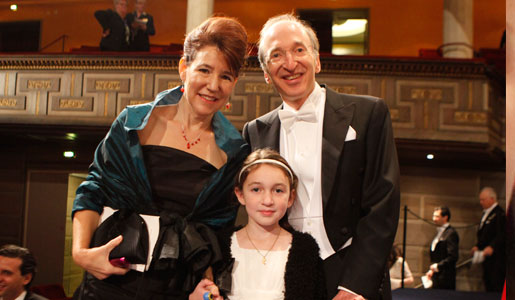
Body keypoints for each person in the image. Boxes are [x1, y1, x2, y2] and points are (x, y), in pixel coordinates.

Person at [71, 16, 249, 299]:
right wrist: (81, 253)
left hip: (175, 287)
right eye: (204, 70)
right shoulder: (132, 123)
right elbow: (93, 188)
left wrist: (207, 283)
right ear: (184, 68)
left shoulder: (234, 152)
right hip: (110, 280)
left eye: (225, 76)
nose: (214, 85)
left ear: (234, 82)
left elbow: (214, 232)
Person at [243, 13, 400, 300]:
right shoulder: (254, 131)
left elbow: (383, 204)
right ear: (266, 72)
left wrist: (356, 285)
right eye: (276, 55)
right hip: (284, 275)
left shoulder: (369, 114)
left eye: (299, 50)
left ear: (317, 60)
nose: (290, 63)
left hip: (352, 272)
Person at [190, 148, 326, 300]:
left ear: (291, 197)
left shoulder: (305, 249)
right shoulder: (217, 247)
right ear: (240, 194)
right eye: (256, 189)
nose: (267, 200)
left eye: (278, 190)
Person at [471, 187, 506, 292]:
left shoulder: (500, 214)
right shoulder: (486, 214)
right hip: (486, 258)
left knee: (495, 285)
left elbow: (502, 234)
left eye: (483, 200)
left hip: (497, 259)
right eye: (480, 200)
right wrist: (478, 246)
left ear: (492, 199)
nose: (481, 202)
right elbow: (484, 234)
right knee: (488, 284)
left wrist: (492, 246)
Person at [425, 206, 459, 289]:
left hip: (446, 277)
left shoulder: (451, 233)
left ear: (445, 217)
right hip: (437, 276)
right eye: (433, 216)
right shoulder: (440, 232)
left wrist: (438, 266)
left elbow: (453, 256)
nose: (434, 219)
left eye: (437, 216)